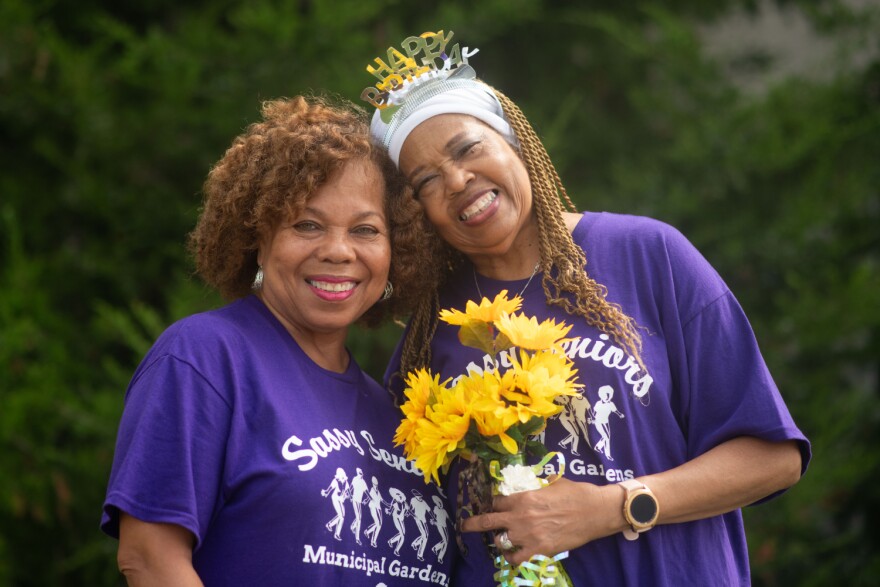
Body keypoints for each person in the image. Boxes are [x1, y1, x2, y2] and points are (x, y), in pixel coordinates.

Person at [366, 31, 811, 585]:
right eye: (426, 181)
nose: (457, 180)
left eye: (467, 148)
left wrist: (612, 508)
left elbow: (774, 459)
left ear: (516, 144)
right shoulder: (432, 329)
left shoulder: (649, 255)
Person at [100, 95, 453, 586]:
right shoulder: (205, 358)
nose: (338, 251)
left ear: (397, 251)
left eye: (365, 230)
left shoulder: (395, 414)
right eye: (307, 225)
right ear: (258, 239)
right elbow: (150, 559)